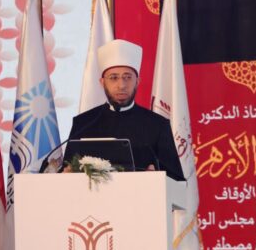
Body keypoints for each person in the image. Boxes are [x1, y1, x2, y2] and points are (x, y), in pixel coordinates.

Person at [63, 39, 185, 181]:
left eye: (127, 77)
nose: (121, 85)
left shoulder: (157, 125)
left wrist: (156, 177)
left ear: (137, 81)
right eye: (113, 78)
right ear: (102, 82)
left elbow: (177, 180)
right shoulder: (83, 123)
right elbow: (66, 171)